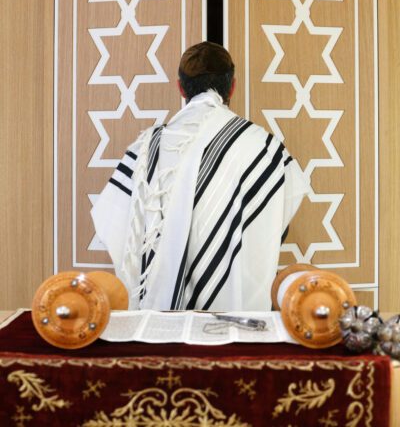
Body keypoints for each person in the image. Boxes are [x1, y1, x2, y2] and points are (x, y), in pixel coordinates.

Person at [91, 42, 309, 311]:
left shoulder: (147, 147)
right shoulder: (262, 145)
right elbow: (278, 218)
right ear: (232, 87)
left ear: (181, 88)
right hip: (232, 310)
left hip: (158, 315)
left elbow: (112, 220)